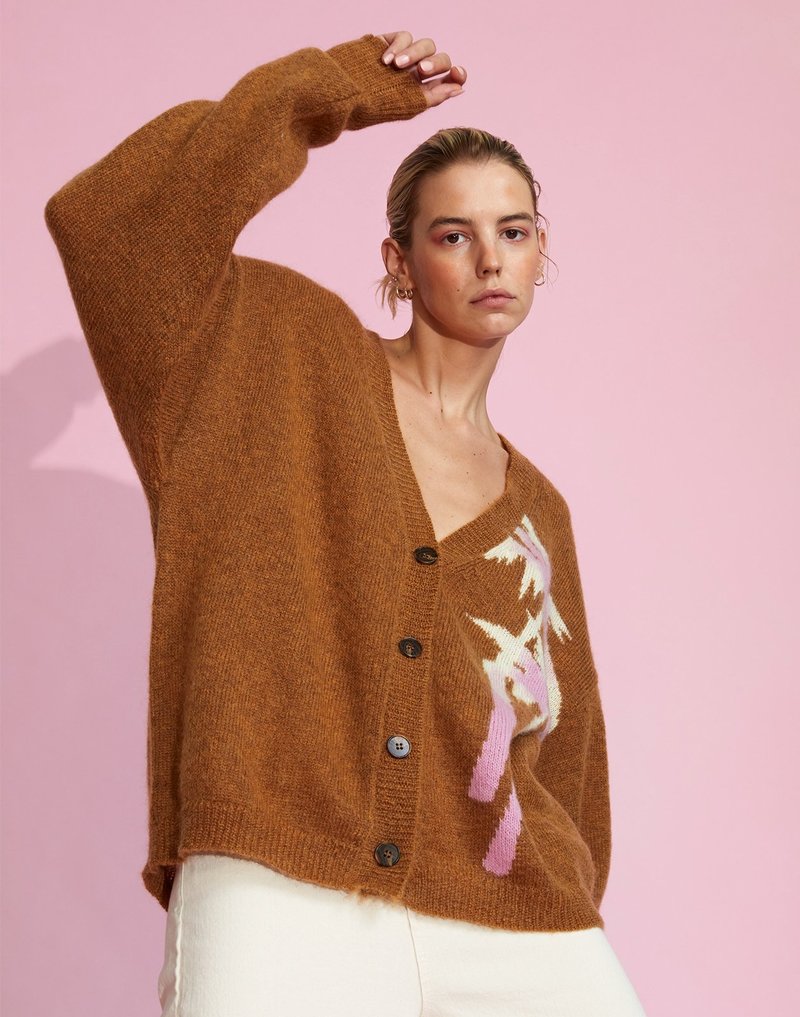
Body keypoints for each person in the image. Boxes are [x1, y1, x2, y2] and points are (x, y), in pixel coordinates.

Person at [45, 28, 649, 1017]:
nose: (489, 258)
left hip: (509, 913)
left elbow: (565, 754)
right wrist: (324, 91)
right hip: (279, 893)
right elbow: (109, 223)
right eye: (451, 234)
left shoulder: (539, 510)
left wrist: (566, 892)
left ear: (541, 252)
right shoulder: (276, 354)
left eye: (514, 230)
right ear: (399, 261)